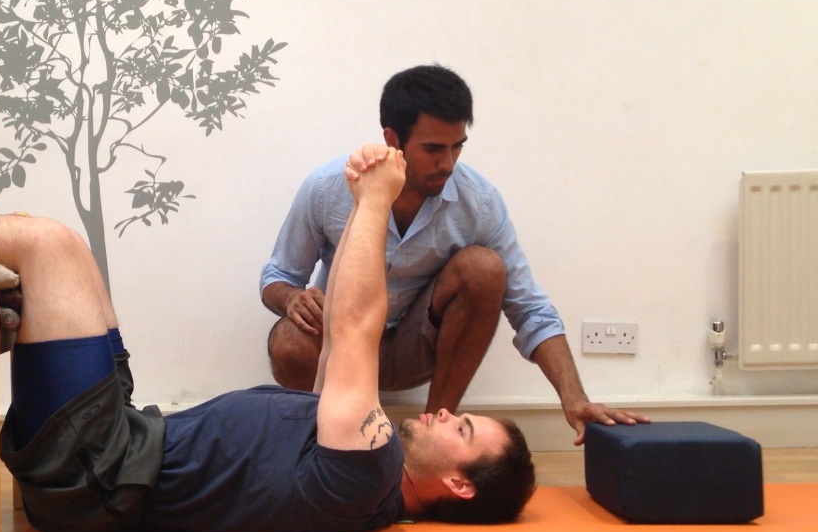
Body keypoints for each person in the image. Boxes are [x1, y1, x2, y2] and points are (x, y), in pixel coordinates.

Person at [0, 131, 535, 532]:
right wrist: (366, 195)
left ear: (458, 485)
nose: (441, 412)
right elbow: (342, 334)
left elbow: (361, 328)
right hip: (117, 444)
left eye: (462, 428)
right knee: (63, 251)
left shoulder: (366, 473)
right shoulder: (365, 463)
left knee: (48, 246)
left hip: (94, 475)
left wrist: (373, 204)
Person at [260, 64, 649, 446]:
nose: (447, 163)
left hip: (416, 348)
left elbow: (530, 308)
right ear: (392, 138)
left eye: (456, 146)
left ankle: (432, 439)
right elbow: (277, 276)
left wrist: (573, 398)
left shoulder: (477, 202)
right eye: (433, 149)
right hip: (341, 342)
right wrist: (292, 297)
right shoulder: (328, 188)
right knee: (289, 342)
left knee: (484, 269)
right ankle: (314, 440)